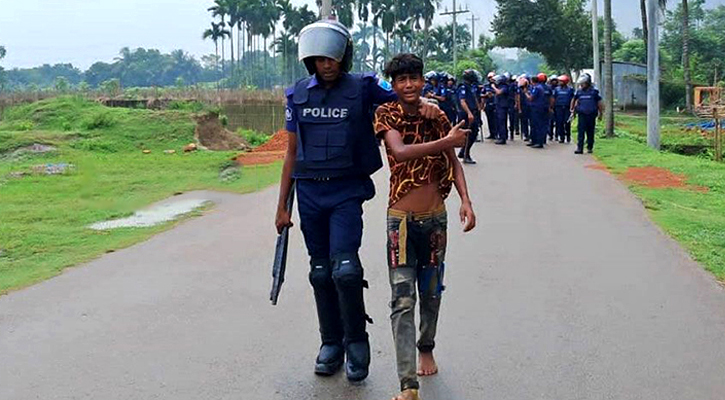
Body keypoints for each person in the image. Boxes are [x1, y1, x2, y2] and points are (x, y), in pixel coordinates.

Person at [275, 19, 441, 383]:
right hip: (309, 193)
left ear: (343, 57)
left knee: (346, 270)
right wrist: (282, 205)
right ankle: (330, 343)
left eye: (331, 58)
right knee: (320, 272)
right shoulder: (297, 94)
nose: (326, 64)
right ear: (310, 62)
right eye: (319, 59)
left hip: (346, 190)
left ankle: (357, 342)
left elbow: (402, 94)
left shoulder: (364, 87)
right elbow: (291, 153)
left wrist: (426, 101)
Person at [374, 53, 476, 400]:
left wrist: (465, 200)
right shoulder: (386, 113)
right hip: (399, 221)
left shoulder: (438, 115)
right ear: (393, 83)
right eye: (400, 80)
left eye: (413, 79)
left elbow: (454, 164)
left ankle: (426, 345)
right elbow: (400, 153)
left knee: (431, 292)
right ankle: (407, 384)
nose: (408, 86)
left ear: (422, 80)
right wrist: (447, 141)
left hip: (435, 219)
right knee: (402, 299)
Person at [571, 73, 603, 154]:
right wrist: (572, 110)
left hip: (591, 115)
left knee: (590, 131)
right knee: (581, 131)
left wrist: (600, 113)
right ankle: (580, 148)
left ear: (588, 83)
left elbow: (599, 102)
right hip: (582, 114)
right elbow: (574, 100)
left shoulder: (594, 92)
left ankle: (589, 147)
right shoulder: (579, 92)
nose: (582, 85)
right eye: (581, 84)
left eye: (583, 83)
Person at [456, 69, 481, 163]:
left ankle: (463, 151)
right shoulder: (463, 87)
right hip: (466, 114)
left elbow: (473, 98)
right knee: (469, 134)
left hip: (472, 112)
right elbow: (462, 101)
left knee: (473, 133)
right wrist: (469, 113)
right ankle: (466, 155)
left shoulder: (470, 86)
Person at [524, 73, 548, 149]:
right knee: (533, 125)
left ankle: (539, 142)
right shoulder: (537, 87)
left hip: (537, 108)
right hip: (535, 108)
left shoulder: (537, 88)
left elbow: (531, 98)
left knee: (538, 125)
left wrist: (525, 93)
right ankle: (534, 140)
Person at [553, 75, 574, 143]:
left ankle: (568, 136)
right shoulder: (557, 89)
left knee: (567, 122)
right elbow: (554, 98)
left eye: (561, 81)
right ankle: (561, 137)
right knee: (559, 122)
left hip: (567, 108)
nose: (559, 82)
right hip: (558, 108)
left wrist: (572, 108)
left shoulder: (570, 89)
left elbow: (573, 99)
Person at [492, 74, 510, 145]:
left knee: (502, 122)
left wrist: (493, 87)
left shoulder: (504, 87)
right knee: (499, 122)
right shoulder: (499, 86)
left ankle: (503, 138)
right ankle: (501, 136)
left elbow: (499, 92)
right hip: (499, 106)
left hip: (502, 106)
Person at [482, 72, 497, 140]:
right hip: (488, 104)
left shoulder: (497, 85)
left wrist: (493, 94)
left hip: (496, 105)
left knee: (496, 120)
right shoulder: (486, 86)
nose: (491, 79)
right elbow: (481, 95)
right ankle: (492, 134)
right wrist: (486, 95)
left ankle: (497, 134)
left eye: (492, 77)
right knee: (489, 120)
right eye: (490, 78)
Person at [518, 76, 531, 142]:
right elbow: (519, 99)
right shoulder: (520, 89)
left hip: (531, 107)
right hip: (524, 107)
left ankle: (532, 134)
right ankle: (526, 134)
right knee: (524, 121)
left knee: (531, 122)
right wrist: (519, 108)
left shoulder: (531, 88)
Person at [545, 76, 558, 142]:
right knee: (550, 121)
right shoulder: (548, 88)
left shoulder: (558, 88)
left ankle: (557, 135)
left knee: (558, 121)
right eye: (553, 80)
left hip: (558, 106)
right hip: (550, 106)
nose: (554, 82)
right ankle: (550, 134)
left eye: (555, 80)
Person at [508, 74, 519, 140]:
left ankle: (512, 133)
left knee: (513, 118)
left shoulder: (513, 85)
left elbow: (516, 95)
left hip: (512, 103)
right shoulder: (506, 85)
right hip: (507, 103)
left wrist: (516, 103)